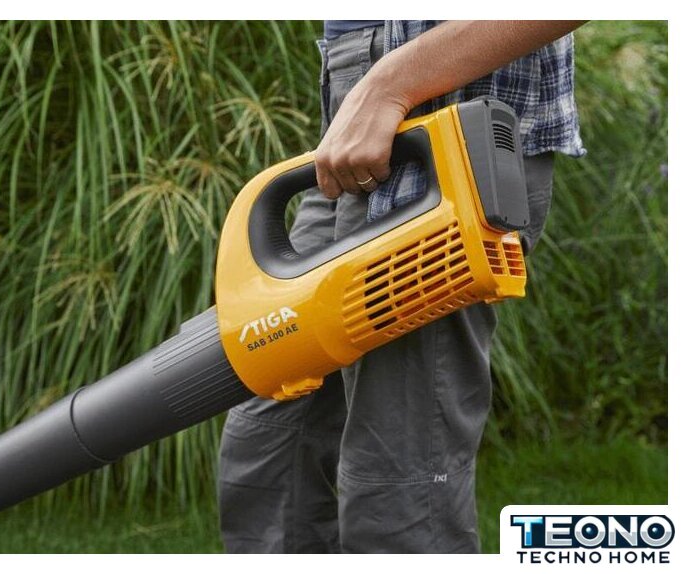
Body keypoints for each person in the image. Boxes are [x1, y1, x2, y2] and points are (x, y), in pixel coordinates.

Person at [217, 20, 586, 554]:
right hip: (355, 129)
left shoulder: (402, 89)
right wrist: (370, 90)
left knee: (395, 494)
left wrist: (391, 83)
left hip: (446, 121)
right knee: (268, 452)